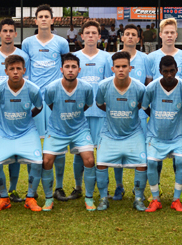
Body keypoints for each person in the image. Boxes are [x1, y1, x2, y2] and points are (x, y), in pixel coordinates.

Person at [0, 18, 31, 203]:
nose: (9, 34)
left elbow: (27, 83)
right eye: (5, 30)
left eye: (12, 30)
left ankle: (12, 190)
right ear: (0, 33)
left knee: (16, 151)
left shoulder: (23, 55)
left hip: (18, 111)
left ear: (15, 33)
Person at [0, 55, 42, 212]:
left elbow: (39, 107)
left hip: (27, 131)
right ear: (6, 71)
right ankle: (4, 198)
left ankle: (30, 198)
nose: (15, 72)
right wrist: (6, 118)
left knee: (37, 162)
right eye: (12, 69)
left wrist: (26, 117)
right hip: (4, 131)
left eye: (19, 68)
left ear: (24, 70)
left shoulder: (33, 89)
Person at [64, 20, 112, 203]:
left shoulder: (107, 58)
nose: (91, 36)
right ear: (81, 36)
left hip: (100, 112)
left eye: (94, 33)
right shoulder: (74, 57)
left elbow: (109, 85)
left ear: (99, 37)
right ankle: (78, 187)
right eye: (87, 33)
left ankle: (103, 189)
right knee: (79, 152)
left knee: (103, 153)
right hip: (79, 114)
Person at [94, 51, 148, 211]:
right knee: (101, 163)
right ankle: (103, 198)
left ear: (130, 67)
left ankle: (138, 198)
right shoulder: (103, 86)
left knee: (142, 164)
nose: (121, 69)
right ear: (112, 68)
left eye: (124, 66)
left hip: (133, 132)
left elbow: (141, 105)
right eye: (117, 66)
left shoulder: (139, 87)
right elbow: (99, 104)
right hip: (109, 133)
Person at [42, 54, 96, 210]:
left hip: (79, 129)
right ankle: (48, 199)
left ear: (79, 69)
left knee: (89, 160)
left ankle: (89, 198)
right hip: (56, 129)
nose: (70, 70)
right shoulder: (51, 88)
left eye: (73, 67)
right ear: (61, 69)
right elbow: (51, 105)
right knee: (46, 161)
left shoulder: (86, 88)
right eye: (67, 67)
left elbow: (86, 105)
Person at [142, 56, 182, 212]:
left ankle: (176, 200)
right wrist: (155, 115)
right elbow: (144, 106)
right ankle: (155, 199)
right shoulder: (151, 87)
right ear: (160, 71)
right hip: (155, 135)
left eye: (172, 71)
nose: (169, 75)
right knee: (151, 163)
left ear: (177, 70)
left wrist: (174, 113)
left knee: (180, 162)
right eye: (165, 71)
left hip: (176, 135)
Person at [113, 24, 152, 200]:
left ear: (138, 39)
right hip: (119, 112)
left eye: (133, 35)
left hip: (139, 112)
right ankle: (119, 186)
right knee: (117, 149)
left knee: (139, 150)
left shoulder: (145, 58)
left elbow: (149, 84)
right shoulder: (112, 58)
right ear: (122, 37)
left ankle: (138, 189)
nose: (130, 37)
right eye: (127, 34)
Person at [22, 4, 70, 140]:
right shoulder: (27, 43)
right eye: (40, 17)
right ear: (35, 21)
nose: (43, 19)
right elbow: (24, 70)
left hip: (54, 97)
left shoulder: (62, 43)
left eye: (46, 17)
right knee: (32, 136)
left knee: (55, 136)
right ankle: (35, 161)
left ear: (52, 20)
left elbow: (67, 68)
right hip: (34, 96)